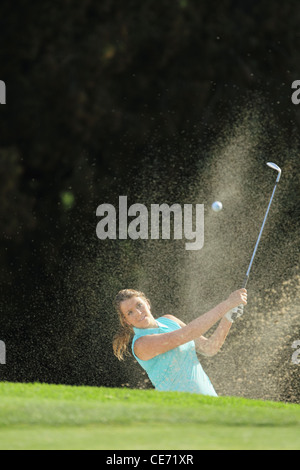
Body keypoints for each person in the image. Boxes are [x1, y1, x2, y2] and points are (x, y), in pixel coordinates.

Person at [113, 288, 247, 396]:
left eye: (139, 305)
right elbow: (187, 334)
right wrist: (226, 304)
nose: (138, 312)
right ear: (126, 321)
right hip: (181, 410)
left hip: (210, 399)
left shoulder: (169, 320)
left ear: (147, 304)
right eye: (130, 312)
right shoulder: (141, 344)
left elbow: (209, 348)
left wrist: (228, 317)